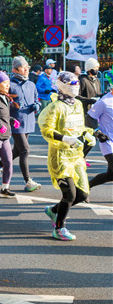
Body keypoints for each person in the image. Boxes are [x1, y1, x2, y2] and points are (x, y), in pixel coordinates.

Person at [39, 72, 95, 241]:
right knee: (69, 194)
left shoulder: (77, 104)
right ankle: (59, 227)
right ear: (62, 86)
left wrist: (91, 135)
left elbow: (80, 127)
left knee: (83, 194)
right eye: (71, 84)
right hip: (61, 156)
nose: (76, 86)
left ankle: (54, 210)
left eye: (76, 83)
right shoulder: (55, 107)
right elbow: (46, 130)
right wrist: (65, 138)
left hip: (76, 156)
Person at [6, 56, 42, 192]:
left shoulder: (31, 84)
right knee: (25, 150)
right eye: (23, 67)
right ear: (15, 69)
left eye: (27, 67)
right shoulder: (10, 85)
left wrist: (36, 105)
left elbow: (35, 98)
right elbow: (4, 104)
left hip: (29, 121)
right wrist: (12, 106)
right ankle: (28, 181)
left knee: (17, 150)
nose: (27, 69)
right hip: (16, 123)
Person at [87, 88, 113, 190]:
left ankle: (84, 189)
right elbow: (89, 117)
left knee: (110, 175)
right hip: (109, 143)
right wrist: (97, 132)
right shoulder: (104, 102)